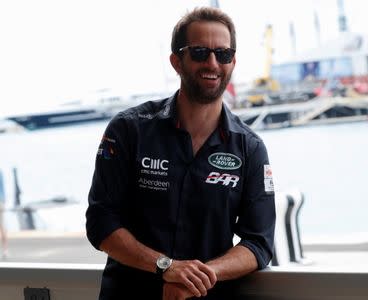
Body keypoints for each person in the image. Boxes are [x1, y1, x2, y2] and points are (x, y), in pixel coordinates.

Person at [86, 7, 275, 300]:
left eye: (222, 54)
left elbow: (259, 243)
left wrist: (197, 276)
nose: (212, 63)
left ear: (233, 62)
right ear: (177, 61)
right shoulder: (129, 130)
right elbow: (101, 221)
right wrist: (165, 267)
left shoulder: (249, 148)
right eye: (199, 52)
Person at [0, 169, 8, 259]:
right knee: (2, 226)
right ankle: (5, 250)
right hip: (1, 201)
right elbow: (3, 189)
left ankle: (5, 250)